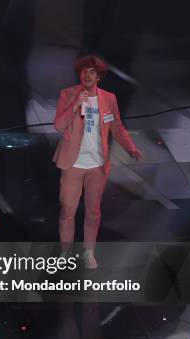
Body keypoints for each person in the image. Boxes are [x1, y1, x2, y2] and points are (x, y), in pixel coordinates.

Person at [53, 55, 142, 269]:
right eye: (84, 71)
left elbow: (117, 127)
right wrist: (76, 104)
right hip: (72, 164)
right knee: (68, 211)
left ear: (99, 77)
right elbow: (59, 125)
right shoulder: (68, 94)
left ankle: (88, 252)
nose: (87, 75)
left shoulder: (108, 98)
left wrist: (131, 147)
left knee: (93, 211)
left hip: (97, 165)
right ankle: (65, 252)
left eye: (92, 71)